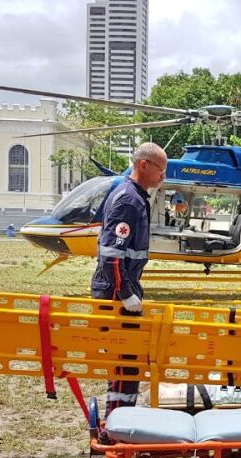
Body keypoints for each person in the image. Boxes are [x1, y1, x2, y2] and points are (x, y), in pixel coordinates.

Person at [90, 142, 168, 416]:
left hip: (123, 287)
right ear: (143, 165)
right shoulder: (128, 200)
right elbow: (112, 253)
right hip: (115, 292)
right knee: (125, 360)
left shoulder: (134, 196)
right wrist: (124, 292)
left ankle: (120, 416)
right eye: (161, 169)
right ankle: (118, 421)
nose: (163, 177)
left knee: (127, 361)